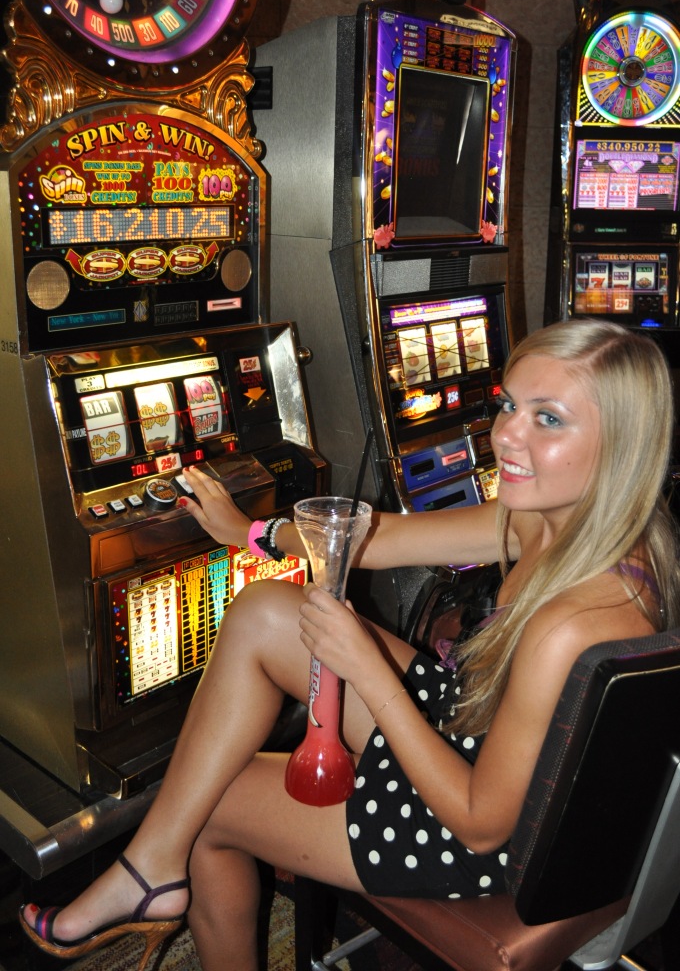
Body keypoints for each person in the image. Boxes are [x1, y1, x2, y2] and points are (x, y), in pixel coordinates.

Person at [20, 319, 680, 971]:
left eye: (549, 419)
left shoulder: (576, 621)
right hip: (473, 726)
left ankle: (156, 873)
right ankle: (150, 864)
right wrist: (250, 532)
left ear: (621, 445)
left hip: (483, 832)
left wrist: (367, 670)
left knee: (206, 804)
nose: (506, 434)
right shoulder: (554, 520)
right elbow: (378, 538)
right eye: (509, 405)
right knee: (266, 613)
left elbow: (481, 822)